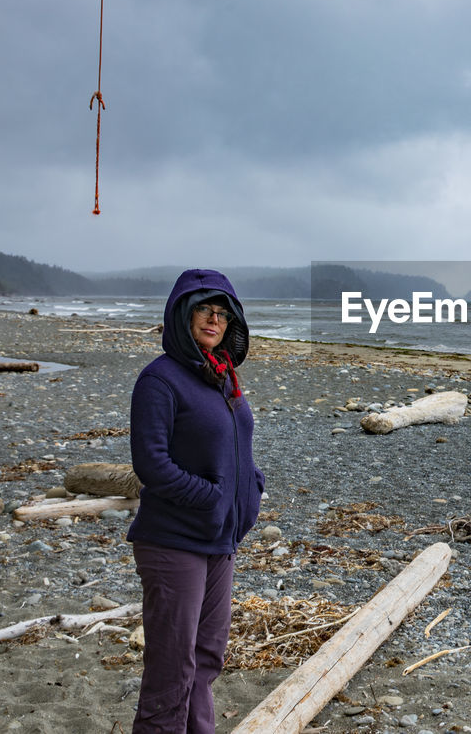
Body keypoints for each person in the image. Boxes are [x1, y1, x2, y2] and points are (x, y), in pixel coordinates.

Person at [127, 269, 265, 732]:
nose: (214, 319)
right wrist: (212, 497)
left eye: (223, 313)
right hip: (173, 541)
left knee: (206, 661)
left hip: (220, 540)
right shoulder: (159, 380)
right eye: (204, 309)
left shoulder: (222, 377)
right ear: (182, 313)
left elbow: (234, 447)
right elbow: (152, 464)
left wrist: (251, 485)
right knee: (171, 668)